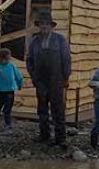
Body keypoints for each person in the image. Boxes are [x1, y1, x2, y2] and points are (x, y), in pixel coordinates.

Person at [26, 10, 71, 147]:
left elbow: (66, 59)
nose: (44, 28)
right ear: (39, 26)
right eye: (42, 25)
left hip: (56, 79)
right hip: (40, 80)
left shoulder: (60, 40)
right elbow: (29, 61)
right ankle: (44, 135)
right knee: (42, 110)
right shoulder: (34, 42)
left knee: (58, 109)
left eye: (46, 25)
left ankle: (60, 138)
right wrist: (34, 77)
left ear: (51, 26)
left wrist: (66, 77)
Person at [0, 48, 23, 131]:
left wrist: (20, 85)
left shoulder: (11, 65)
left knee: (7, 109)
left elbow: (18, 76)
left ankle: (8, 124)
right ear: (0, 58)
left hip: (9, 91)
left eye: (8, 59)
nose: (6, 61)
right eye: (4, 59)